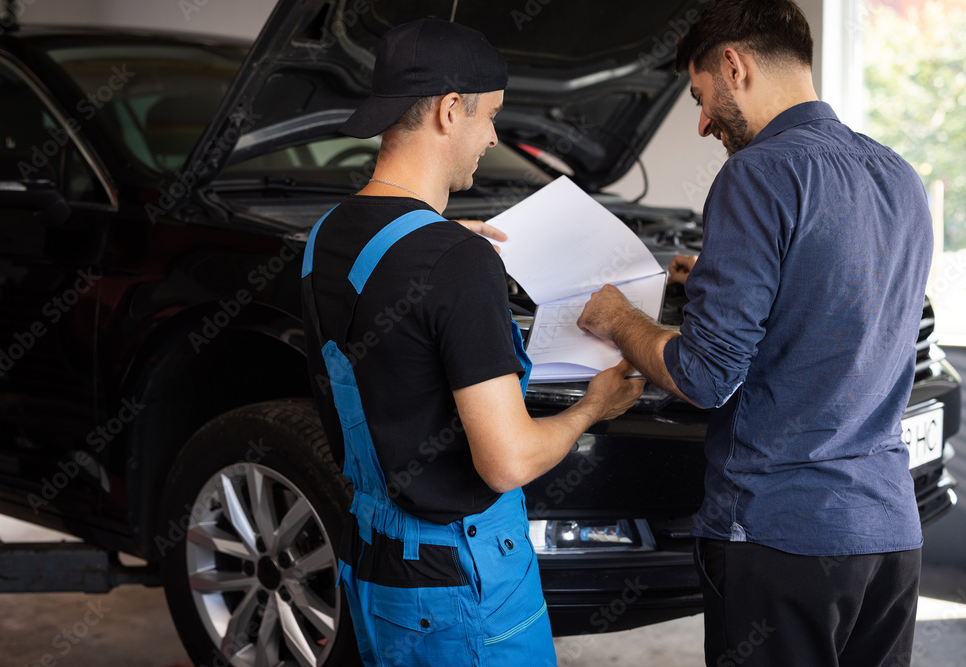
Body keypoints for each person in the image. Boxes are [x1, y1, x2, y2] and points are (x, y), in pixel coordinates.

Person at [576, 1, 932, 665]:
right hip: (887, 536)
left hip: (781, 535)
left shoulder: (757, 175)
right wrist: (719, 276)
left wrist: (618, 318)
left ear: (734, 65)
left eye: (700, 96)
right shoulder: (898, 175)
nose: (705, 120)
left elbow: (704, 376)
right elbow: (842, 303)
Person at [302, 18, 643, 666]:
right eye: (490, 117)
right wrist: (592, 408)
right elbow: (506, 461)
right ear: (450, 110)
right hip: (465, 580)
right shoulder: (455, 261)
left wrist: (440, 240)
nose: (492, 137)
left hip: (374, 569)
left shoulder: (324, 238)